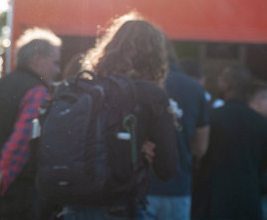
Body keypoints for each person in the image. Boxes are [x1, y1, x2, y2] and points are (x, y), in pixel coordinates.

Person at [62, 13, 178, 220]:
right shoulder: (150, 95)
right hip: (120, 207)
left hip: (72, 206)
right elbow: (167, 169)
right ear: (155, 55)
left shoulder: (85, 88)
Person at [0, 28, 62, 220]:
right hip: (18, 194)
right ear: (38, 58)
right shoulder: (37, 91)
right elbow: (20, 142)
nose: (57, 70)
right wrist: (0, 179)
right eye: (55, 62)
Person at [146, 40, 209, 220]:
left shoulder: (141, 84)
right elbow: (201, 148)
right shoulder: (195, 88)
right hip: (179, 186)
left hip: (144, 186)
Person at [194, 66, 267, 220]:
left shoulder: (212, 117)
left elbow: (199, 152)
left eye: (222, 78)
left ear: (227, 85)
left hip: (213, 198)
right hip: (249, 199)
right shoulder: (261, 123)